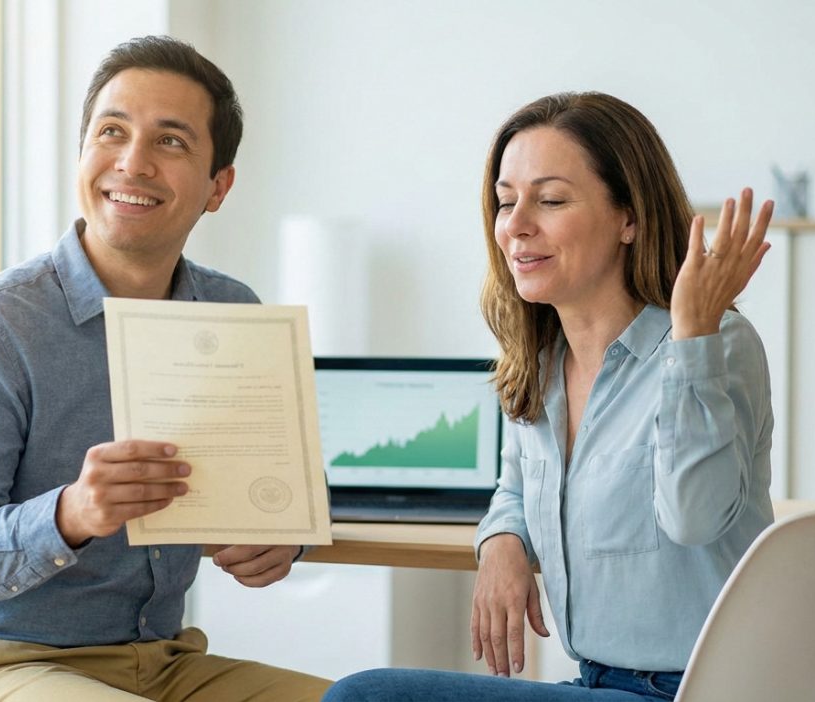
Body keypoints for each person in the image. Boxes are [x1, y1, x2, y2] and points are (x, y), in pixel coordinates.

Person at [0, 35, 330, 702]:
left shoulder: (232, 312)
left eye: (170, 142)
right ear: (83, 156)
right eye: (112, 132)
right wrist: (71, 512)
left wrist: (285, 539)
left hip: (162, 664)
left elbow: (286, 481)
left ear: (219, 187)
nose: (133, 163)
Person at [323, 92, 775, 702]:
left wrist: (693, 335)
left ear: (629, 218)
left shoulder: (716, 341)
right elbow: (516, 485)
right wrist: (502, 542)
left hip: (697, 689)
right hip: (596, 682)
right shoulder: (540, 360)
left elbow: (694, 518)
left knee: (364, 698)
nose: (516, 225)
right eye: (506, 202)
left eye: (552, 199)